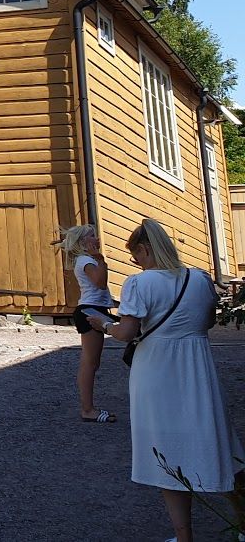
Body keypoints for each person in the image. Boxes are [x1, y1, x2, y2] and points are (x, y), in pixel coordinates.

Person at [86, 219, 245, 542]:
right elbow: (206, 322)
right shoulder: (200, 279)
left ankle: (184, 537)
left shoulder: (139, 284)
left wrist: (103, 325)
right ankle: (242, 524)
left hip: (157, 370)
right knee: (220, 445)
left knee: (168, 451)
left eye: (136, 256)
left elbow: (126, 333)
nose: (137, 263)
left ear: (146, 249)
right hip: (198, 368)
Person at [56, 225, 117, 422]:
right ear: (83, 242)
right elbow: (100, 283)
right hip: (89, 311)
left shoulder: (85, 260)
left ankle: (88, 408)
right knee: (89, 362)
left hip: (94, 308)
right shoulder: (86, 260)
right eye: (92, 236)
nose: (97, 238)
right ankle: (88, 410)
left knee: (92, 362)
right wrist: (100, 259)